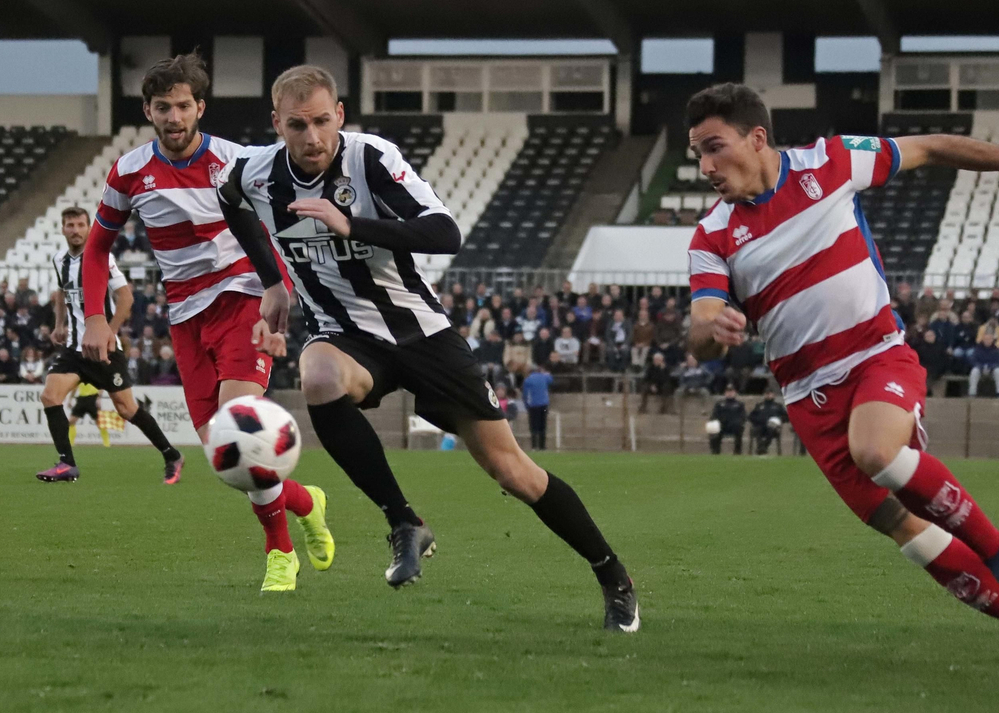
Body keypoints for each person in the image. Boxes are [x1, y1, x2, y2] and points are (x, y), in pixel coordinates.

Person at [684, 83, 999, 669]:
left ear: (756, 137)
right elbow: (700, 329)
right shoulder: (712, 235)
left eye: (714, 147)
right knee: (913, 536)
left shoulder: (829, 162)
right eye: (697, 153)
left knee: (875, 450)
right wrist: (711, 331)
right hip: (809, 400)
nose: (705, 166)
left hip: (877, 357)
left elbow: (935, 146)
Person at [220, 64, 636, 629]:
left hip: (424, 336)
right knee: (317, 374)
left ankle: (613, 574)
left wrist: (352, 224)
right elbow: (230, 201)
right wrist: (272, 280)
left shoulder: (370, 159)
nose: (312, 137)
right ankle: (403, 522)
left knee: (514, 473)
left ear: (339, 115)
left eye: (322, 121)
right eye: (297, 125)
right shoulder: (253, 172)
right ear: (278, 124)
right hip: (347, 336)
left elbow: (445, 232)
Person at [80, 54, 331, 593]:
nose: (174, 116)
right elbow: (98, 246)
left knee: (239, 430)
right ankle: (308, 502)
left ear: (200, 107)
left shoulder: (238, 162)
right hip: (186, 317)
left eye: (184, 105)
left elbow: (273, 234)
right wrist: (95, 317)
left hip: (242, 299)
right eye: (163, 106)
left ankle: (280, 555)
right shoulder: (128, 171)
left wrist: (279, 298)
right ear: (148, 110)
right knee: (228, 461)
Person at [38, 207, 184, 483]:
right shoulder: (59, 260)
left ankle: (171, 454)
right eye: (70, 225)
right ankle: (66, 464)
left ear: (89, 228)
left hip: (104, 349)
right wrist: (59, 325)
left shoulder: (101, 258)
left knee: (126, 409)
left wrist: (109, 331)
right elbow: (61, 293)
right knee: (50, 396)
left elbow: (126, 297)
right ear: (62, 229)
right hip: (74, 348)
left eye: (81, 224)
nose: (75, 230)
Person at [522, 363, 553, 450]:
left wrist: (526, 405)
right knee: (543, 425)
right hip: (544, 404)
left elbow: (525, 394)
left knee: (533, 426)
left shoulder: (528, 380)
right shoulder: (544, 377)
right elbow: (551, 380)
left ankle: (534, 445)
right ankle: (542, 446)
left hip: (533, 405)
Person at [707, 385, 746, 455]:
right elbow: (714, 415)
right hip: (722, 426)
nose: (730, 393)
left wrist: (738, 422)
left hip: (734, 426)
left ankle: (737, 452)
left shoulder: (739, 404)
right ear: (725, 393)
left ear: (735, 393)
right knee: (713, 430)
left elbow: (743, 416)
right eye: (728, 392)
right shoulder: (719, 404)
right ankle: (715, 451)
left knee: (739, 429)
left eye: (731, 391)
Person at [968, 331, 999, 398]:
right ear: (983, 339)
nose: (987, 341)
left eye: (989, 339)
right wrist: (981, 367)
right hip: (980, 369)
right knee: (974, 371)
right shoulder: (977, 349)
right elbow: (973, 361)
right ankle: (972, 393)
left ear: (992, 340)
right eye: (986, 339)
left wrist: (990, 367)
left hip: (992, 370)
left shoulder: (997, 350)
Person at [750, 390, 787, 455]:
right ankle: (761, 448)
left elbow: (786, 417)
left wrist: (779, 421)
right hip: (761, 426)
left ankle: (763, 447)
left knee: (771, 430)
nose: (768, 395)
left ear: (773, 395)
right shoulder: (759, 405)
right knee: (757, 430)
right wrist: (758, 421)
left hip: (773, 427)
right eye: (766, 394)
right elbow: (751, 416)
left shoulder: (778, 406)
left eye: (770, 394)